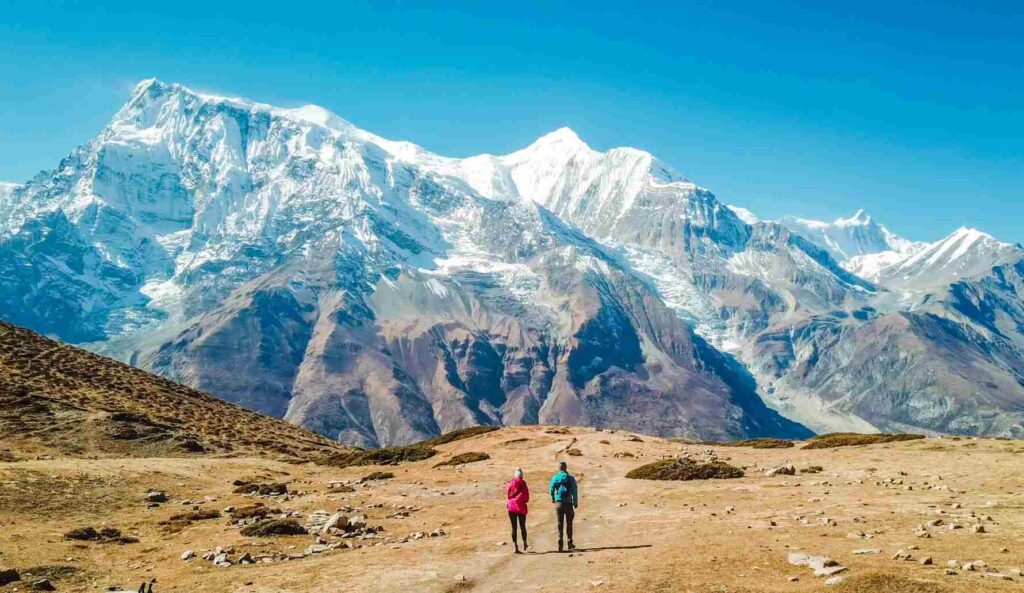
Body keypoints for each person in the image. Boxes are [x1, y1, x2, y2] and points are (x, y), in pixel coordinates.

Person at [549, 461, 578, 552]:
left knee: (560, 523)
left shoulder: (555, 478)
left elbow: (551, 489)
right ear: (566, 468)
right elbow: (574, 491)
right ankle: (569, 542)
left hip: (559, 503)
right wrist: (575, 502)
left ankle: (560, 542)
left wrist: (553, 498)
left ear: (559, 468)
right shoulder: (570, 478)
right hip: (568, 503)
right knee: (569, 523)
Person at [505, 467, 530, 553]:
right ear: (522, 476)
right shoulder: (524, 485)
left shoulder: (509, 484)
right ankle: (525, 543)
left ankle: (515, 546)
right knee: (522, 526)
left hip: (511, 507)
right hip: (521, 508)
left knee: (514, 527)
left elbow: (507, 495)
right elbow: (526, 499)